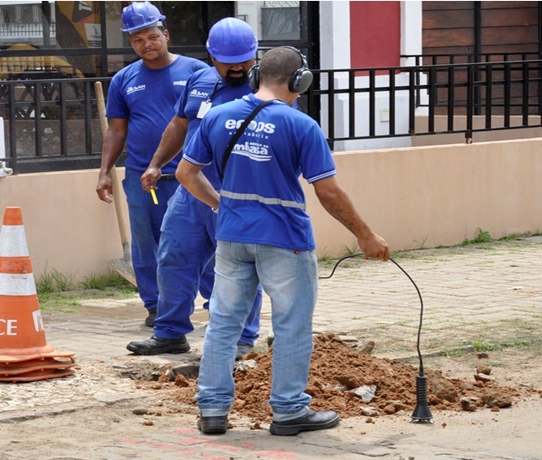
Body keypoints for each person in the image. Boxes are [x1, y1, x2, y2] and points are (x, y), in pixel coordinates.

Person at [176, 46, 390, 436]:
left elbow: (187, 174)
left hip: (232, 238)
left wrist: (221, 206)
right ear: (299, 81)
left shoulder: (218, 116)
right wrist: (365, 235)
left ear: (258, 74)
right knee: (292, 326)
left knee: (223, 324)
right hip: (284, 241)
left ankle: (212, 410)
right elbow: (327, 191)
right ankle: (290, 411)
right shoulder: (300, 125)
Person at [126, 18, 263, 360]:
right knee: (173, 260)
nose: (236, 67)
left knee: (238, 268)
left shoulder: (267, 87)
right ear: (211, 56)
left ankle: (241, 338)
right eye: (227, 61)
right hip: (190, 191)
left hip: (237, 195)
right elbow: (179, 124)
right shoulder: (199, 80)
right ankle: (170, 333)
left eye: (244, 60)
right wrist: (156, 163)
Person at [95, 1, 208, 327]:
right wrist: (105, 173)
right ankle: (156, 306)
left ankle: (215, 302)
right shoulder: (124, 79)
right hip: (143, 179)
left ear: (166, 34)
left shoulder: (196, 72)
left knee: (202, 241)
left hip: (193, 176)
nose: (146, 44)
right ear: (131, 43)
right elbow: (116, 131)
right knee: (146, 246)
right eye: (137, 39)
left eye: (152, 36)